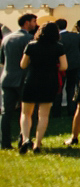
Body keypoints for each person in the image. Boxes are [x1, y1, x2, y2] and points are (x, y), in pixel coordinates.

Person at [18, 20, 67, 153]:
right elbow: (64, 66)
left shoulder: (31, 45)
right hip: (49, 81)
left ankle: (26, 138)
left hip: (32, 80)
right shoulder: (58, 47)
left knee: (26, 113)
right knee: (43, 115)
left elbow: (23, 64)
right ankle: (37, 144)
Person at [1, 13, 37, 149]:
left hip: (7, 78)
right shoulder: (29, 39)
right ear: (27, 23)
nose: (35, 24)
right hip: (24, 78)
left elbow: (2, 61)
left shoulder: (6, 38)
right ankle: (24, 139)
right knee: (27, 112)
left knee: (6, 113)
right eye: (34, 21)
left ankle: (4, 143)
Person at [53, 18, 80, 118]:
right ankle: (72, 109)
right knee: (71, 88)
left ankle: (57, 111)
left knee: (59, 88)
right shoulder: (75, 35)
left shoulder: (57, 38)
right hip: (74, 65)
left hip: (61, 66)